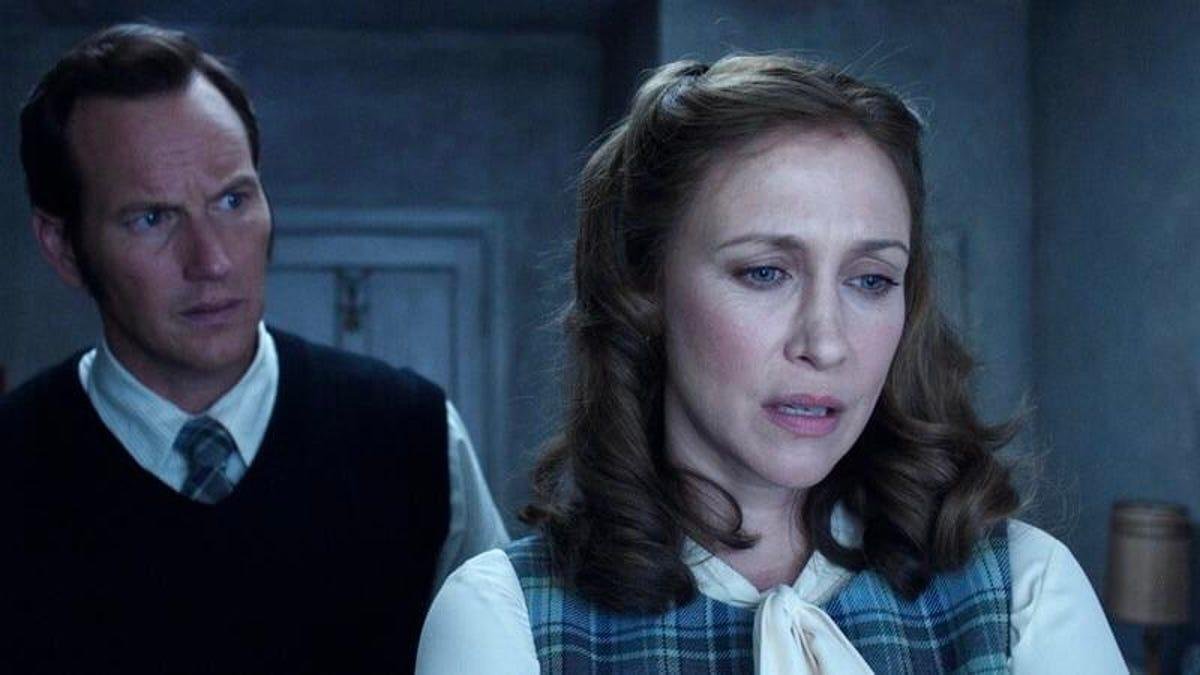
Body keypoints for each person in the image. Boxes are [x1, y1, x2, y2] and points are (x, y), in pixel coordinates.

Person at [416, 54, 1126, 673]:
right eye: (765, 272)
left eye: (871, 279)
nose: (826, 342)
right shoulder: (508, 617)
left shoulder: (1021, 591)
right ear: (644, 286)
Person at [2, 23, 507, 673]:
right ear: (63, 247)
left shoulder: (414, 437)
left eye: (232, 200)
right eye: (152, 218)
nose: (211, 260)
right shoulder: (14, 466)